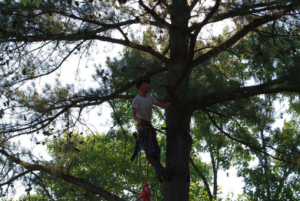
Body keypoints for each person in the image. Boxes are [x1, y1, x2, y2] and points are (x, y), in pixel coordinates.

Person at [132, 79, 172, 182]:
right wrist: (138, 120)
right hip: (143, 128)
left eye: (147, 84)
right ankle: (161, 171)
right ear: (140, 87)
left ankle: (159, 173)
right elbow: (133, 114)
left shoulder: (150, 97)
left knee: (156, 152)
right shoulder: (137, 99)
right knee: (150, 153)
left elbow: (162, 105)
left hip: (148, 127)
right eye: (145, 84)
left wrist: (173, 103)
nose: (147, 85)